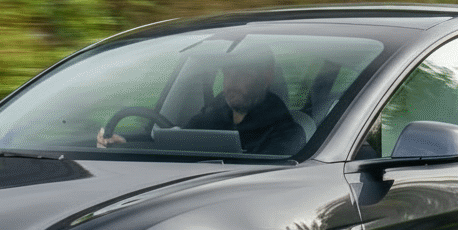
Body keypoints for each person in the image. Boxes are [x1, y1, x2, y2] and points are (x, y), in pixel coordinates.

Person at [97, 45, 307, 155]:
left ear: (267, 76)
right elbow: (174, 149)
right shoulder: (209, 117)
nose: (231, 81)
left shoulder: (287, 136)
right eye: (227, 72)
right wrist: (126, 146)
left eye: (243, 73)